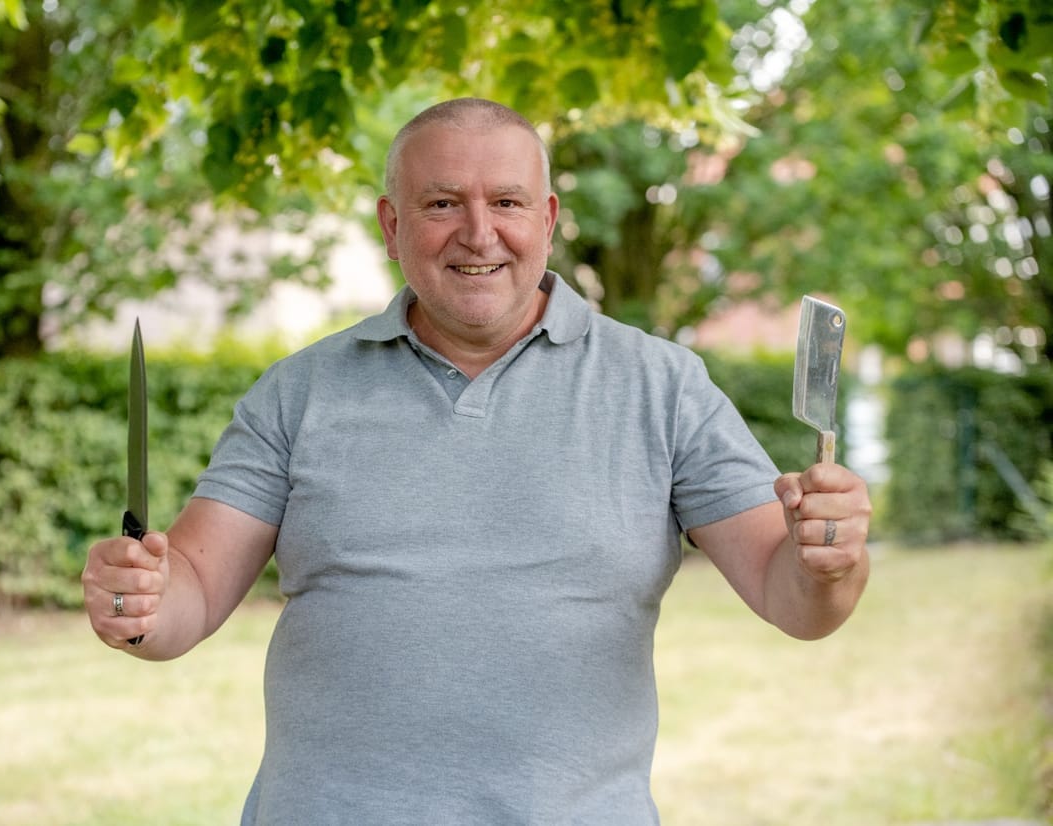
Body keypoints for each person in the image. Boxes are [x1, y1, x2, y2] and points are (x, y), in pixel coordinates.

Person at [82, 97, 871, 824]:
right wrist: (138, 602)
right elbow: (187, 592)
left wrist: (829, 565)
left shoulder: (662, 387)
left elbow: (793, 598)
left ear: (549, 219)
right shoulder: (300, 392)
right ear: (391, 227)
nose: (479, 232)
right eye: (441, 203)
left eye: (507, 202)